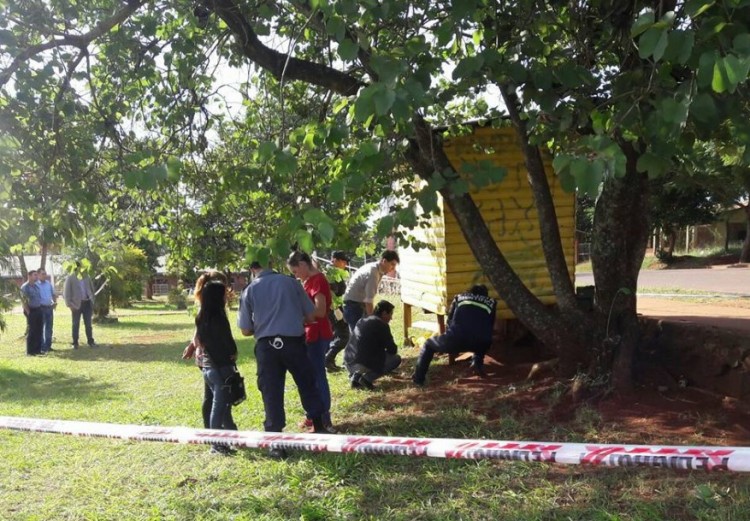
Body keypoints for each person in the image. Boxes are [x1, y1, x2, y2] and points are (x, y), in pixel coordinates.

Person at [238, 259, 333, 459]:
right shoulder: (291, 283)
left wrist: (264, 324)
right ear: (271, 263)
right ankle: (319, 426)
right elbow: (311, 316)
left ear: (253, 269)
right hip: (293, 343)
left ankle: (275, 442)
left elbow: (245, 329)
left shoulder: (249, 290)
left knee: (271, 391)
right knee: (307, 384)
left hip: (266, 347)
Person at [182, 271, 239, 456]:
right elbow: (225, 343)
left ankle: (232, 434)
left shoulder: (203, 316)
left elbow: (200, 340)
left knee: (222, 404)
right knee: (219, 405)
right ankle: (216, 444)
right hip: (218, 367)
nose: (226, 296)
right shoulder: (218, 319)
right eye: (224, 294)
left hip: (208, 367)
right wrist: (231, 355)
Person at [286, 251, 335, 432]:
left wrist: (298, 318)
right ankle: (313, 416)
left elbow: (320, 311)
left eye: (295, 271)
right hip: (310, 334)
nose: (296, 276)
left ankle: (324, 418)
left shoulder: (318, 280)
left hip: (317, 334)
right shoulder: (309, 281)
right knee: (311, 376)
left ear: (302, 264)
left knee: (317, 376)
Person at [412, 284, 497, 386]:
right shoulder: (492, 302)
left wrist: (450, 337)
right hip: (482, 342)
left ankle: (418, 379)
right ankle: (477, 364)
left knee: (428, 344)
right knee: (481, 336)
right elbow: (490, 325)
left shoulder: (459, 297)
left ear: (470, 291)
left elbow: (449, 320)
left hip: (456, 339)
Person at [343, 300, 402, 390]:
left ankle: (356, 377)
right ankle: (367, 379)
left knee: (368, 355)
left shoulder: (362, 319)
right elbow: (392, 350)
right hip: (362, 362)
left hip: (348, 360)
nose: (391, 318)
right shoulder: (382, 325)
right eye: (390, 314)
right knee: (395, 359)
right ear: (384, 313)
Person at [341, 250, 399, 334]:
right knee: (359, 337)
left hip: (356, 304)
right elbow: (368, 301)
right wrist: (372, 322)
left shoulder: (377, 269)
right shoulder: (373, 272)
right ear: (384, 261)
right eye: (392, 264)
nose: (393, 269)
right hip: (353, 306)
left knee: (362, 335)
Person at [324, 251, 351, 372]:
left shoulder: (335, 272)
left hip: (336, 307)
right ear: (335, 260)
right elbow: (332, 293)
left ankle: (329, 362)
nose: (345, 264)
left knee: (335, 335)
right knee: (344, 335)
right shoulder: (330, 274)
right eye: (343, 261)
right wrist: (336, 310)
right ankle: (328, 359)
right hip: (333, 308)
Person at [62, 262, 96, 349]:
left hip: (87, 303)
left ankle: (90, 341)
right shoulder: (70, 277)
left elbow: (91, 289)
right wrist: (69, 305)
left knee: (88, 324)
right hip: (76, 304)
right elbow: (66, 292)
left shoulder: (86, 276)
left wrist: (92, 300)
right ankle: (75, 342)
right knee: (75, 324)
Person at [20, 270, 43, 357]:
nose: (37, 277)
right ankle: (30, 351)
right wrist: (28, 312)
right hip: (31, 310)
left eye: (37, 275)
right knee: (32, 330)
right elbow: (24, 301)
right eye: (35, 275)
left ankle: (38, 350)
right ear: (29, 276)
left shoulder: (36, 286)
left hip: (38, 309)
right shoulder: (25, 287)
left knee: (39, 330)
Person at [36, 268, 57, 353]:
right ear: (38, 275)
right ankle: (42, 347)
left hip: (49, 308)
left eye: (45, 273)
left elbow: (53, 294)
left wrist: (55, 302)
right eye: (43, 274)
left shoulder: (48, 284)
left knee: (49, 327)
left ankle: (48, 346)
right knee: (40, 328)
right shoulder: (36, 285)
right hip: (40, 308)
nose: (45, 275)